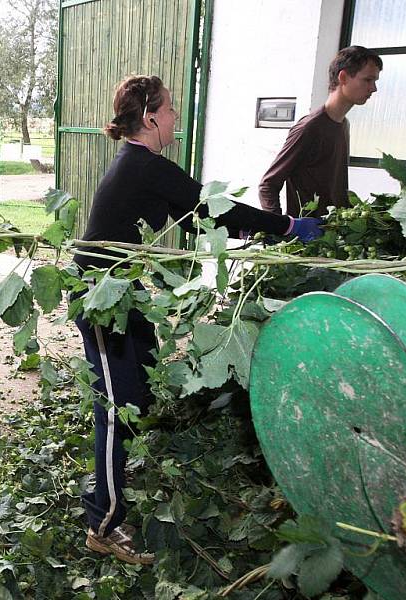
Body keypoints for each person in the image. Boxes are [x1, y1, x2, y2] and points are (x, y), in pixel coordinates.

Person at [74, 75, 322, 565]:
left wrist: (249, 236)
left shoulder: (142, 166)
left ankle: (111, 468)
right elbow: (214, 206)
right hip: (101, 297)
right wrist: (287, 224)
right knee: (115, 406)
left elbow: (196, 219)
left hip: (125, 290)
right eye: (168, 111)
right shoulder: (143, 164)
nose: (174, 119)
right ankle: (102, 521)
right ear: (149, 117)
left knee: (138, 384)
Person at [258, 46, 383, 218]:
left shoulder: (343, 124)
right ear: (343, 77)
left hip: (334, 233)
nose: (373, 88)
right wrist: (279, 229)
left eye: (374, 81)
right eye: (368, 80)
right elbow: (268, 185)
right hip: (304, 238)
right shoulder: (309, 128)